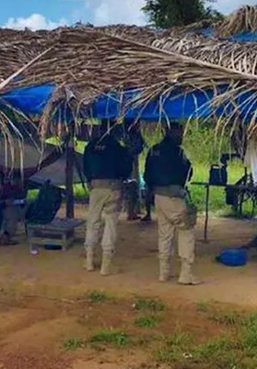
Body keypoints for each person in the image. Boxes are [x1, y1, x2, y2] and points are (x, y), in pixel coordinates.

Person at [144, 122, 199, 285]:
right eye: (180, 132)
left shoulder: (153, 150)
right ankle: (186, 273)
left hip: (159, 197)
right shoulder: (178, 152)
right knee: (186, 230)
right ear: (172, 133)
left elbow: (147, 175)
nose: (181, 136)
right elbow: (188, 172)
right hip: (174, 197)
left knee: (164, 234)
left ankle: (164, 273)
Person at [82, 121, 132, 276]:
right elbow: (126, 169)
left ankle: (89, 261)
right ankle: (106, 265)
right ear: (115, 131)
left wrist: (90, 180)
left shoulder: (90, 146)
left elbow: (85, 167)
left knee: (93, 222)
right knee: (111, 224)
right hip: (114, 187)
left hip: (96, 188)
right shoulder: (118, 148)